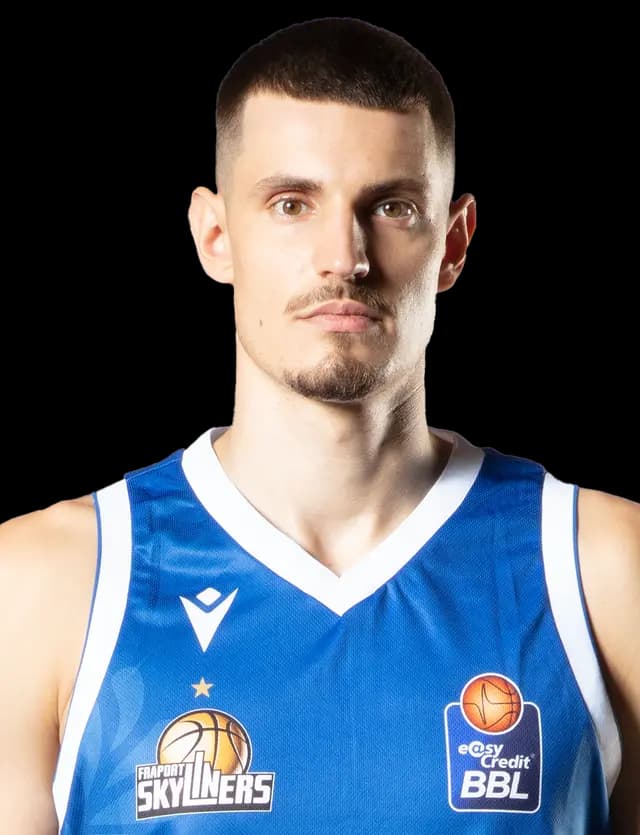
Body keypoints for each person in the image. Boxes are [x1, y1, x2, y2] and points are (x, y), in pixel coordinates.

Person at [1, 16, 637, 835]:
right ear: (216, 235)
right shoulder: (48, 583)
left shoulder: (603, 569)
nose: (344, 255)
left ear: (452, 243)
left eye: (392, 206)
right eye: (292, 203)